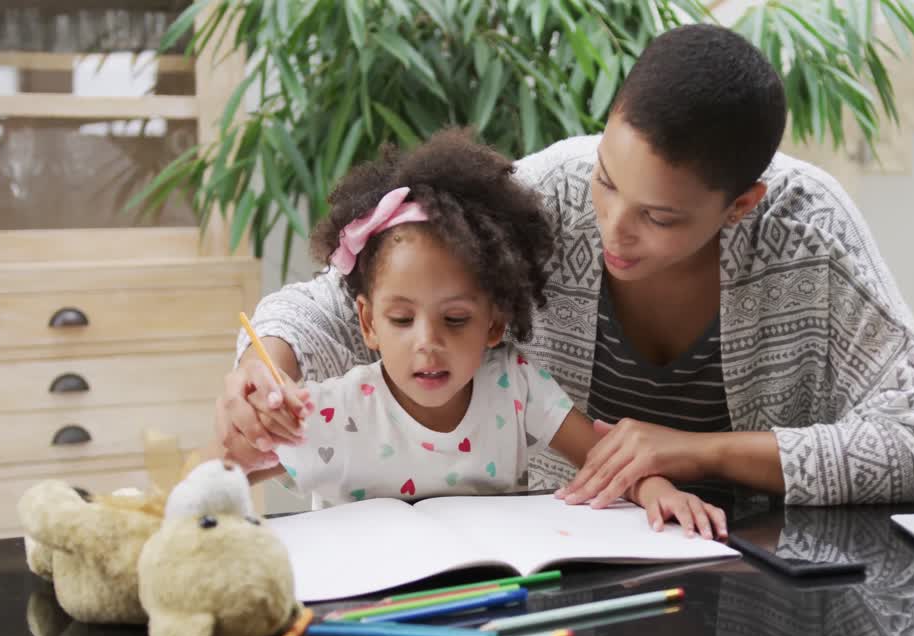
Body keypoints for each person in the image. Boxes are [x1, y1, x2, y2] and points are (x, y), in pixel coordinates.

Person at [216, 24, 914, 508]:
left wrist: (704, 453)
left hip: (762, 573)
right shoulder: (554, 193)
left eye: (660, 217)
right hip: (570, 557)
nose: (613, 225)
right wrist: (265, 363)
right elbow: (353, 297)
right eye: (610, 178)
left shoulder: (809, 230)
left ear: (740, 206)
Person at [240, 130, 727, 538]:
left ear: (494, 323)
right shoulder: (331, 411)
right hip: (367, 615)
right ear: (368, 322)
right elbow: (234, 469)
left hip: (491, 603)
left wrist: (654, 490)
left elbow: (604, 460)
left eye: (455, 320)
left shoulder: (517, 389)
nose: (426, 342)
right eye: (402, 320)